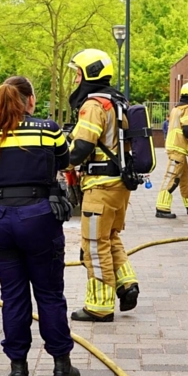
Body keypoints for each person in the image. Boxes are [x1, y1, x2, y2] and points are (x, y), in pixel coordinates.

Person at [0, 76, 80, 376]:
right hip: (37, 218)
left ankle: (18, 367)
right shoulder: (48, 130)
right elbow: (65, 160)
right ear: (30, 100)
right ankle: (61, 365)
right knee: (49, 294)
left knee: (13, 295)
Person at [66, 48, 139, 323]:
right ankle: (127, 284)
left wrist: (62, 161)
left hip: (99, 186)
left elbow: (82, 147)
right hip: (119, 185)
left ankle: (99, 306)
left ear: (89, 74)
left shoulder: (94, 105)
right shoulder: (118, 101)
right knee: (110, 238)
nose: (76, 80)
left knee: (94, 245)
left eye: (78, 73)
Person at [155, 82, 188, 219]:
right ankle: (162, 207)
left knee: (185, 177)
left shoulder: (176, 109)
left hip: (175, 147)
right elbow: (187, 129)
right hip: (178, 148)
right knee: (172, 177)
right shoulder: (186, 109)